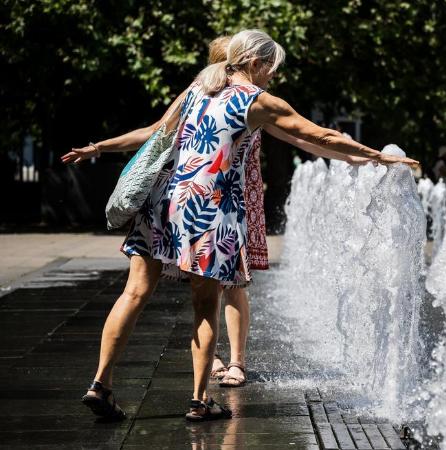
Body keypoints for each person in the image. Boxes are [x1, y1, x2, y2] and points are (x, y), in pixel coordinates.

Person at [63, 29, 418, 422]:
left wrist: (99, 147)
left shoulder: (200, 85)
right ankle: (199, 400)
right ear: (256, 61)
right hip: (209, 208)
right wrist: (376, 156)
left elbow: (154, 133)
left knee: (133, 294)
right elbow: (319, 133)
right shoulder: (256, 100)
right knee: (205, 303)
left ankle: (100, 383)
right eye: (272, 68)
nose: (272, 77)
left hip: (162, 201)